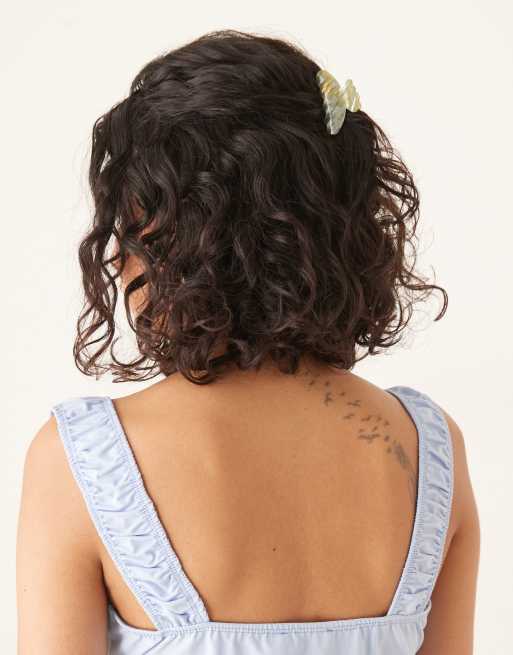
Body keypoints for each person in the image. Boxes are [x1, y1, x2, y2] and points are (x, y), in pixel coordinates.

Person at [16, 28, 480, 655]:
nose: (121, 259)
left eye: (130, 226)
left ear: (179, 239)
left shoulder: (85, 460)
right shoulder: (429, 448)